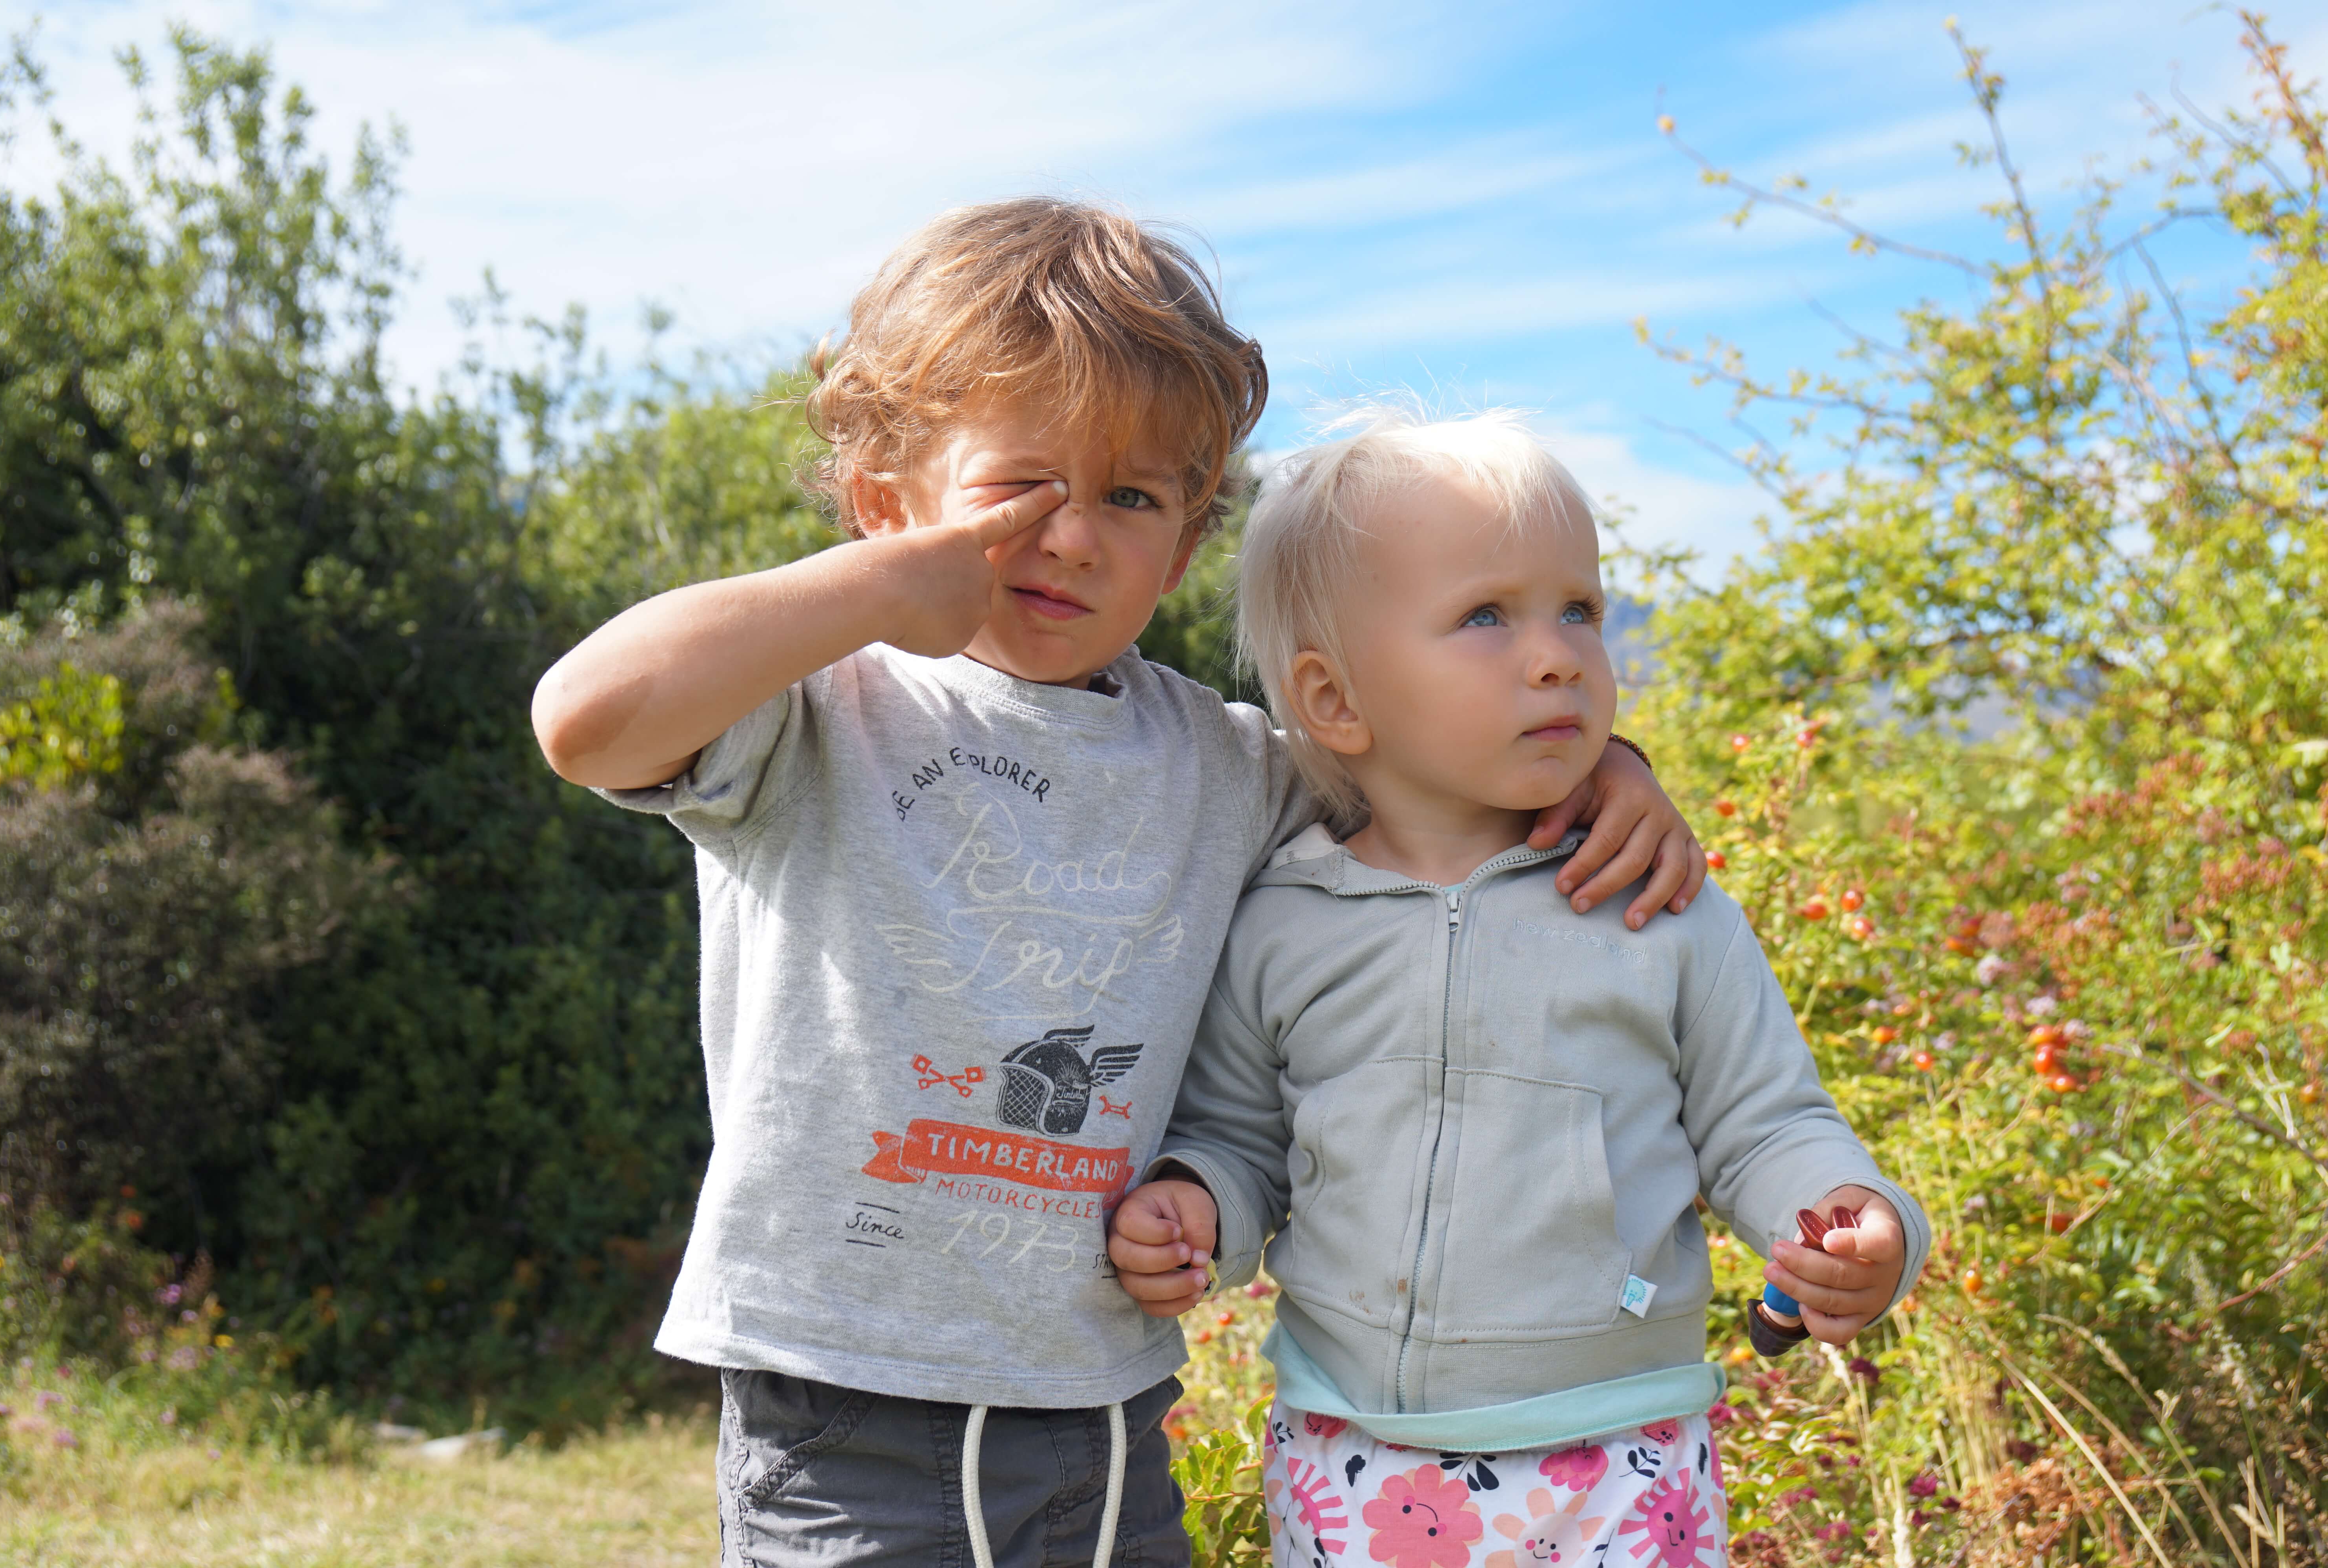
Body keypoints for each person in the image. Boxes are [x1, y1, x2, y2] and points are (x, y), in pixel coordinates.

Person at [530, 203, 1708, 1568]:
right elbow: (585, 717)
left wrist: (1602, 765)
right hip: (843, 1393)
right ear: (886, 502)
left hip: (1102, 1402)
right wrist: (865, 590)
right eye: (1020, 490)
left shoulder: (1228, 764)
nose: (1074, 538)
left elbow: (1439, 783)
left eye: (1132, 498)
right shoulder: (808, 717)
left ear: (1190, 538)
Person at [1108, 409, 1929, 1568]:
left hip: (1621, 1457)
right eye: (1486, 616)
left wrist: (1854, 1219)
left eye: (1579, 610)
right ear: (1335, 700)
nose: (1556, 655)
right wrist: (1196, 1203)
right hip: (1354, 1455)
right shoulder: (1282, 922)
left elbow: (1766, 1123)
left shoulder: (1657, 904)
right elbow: (1243, 1138)